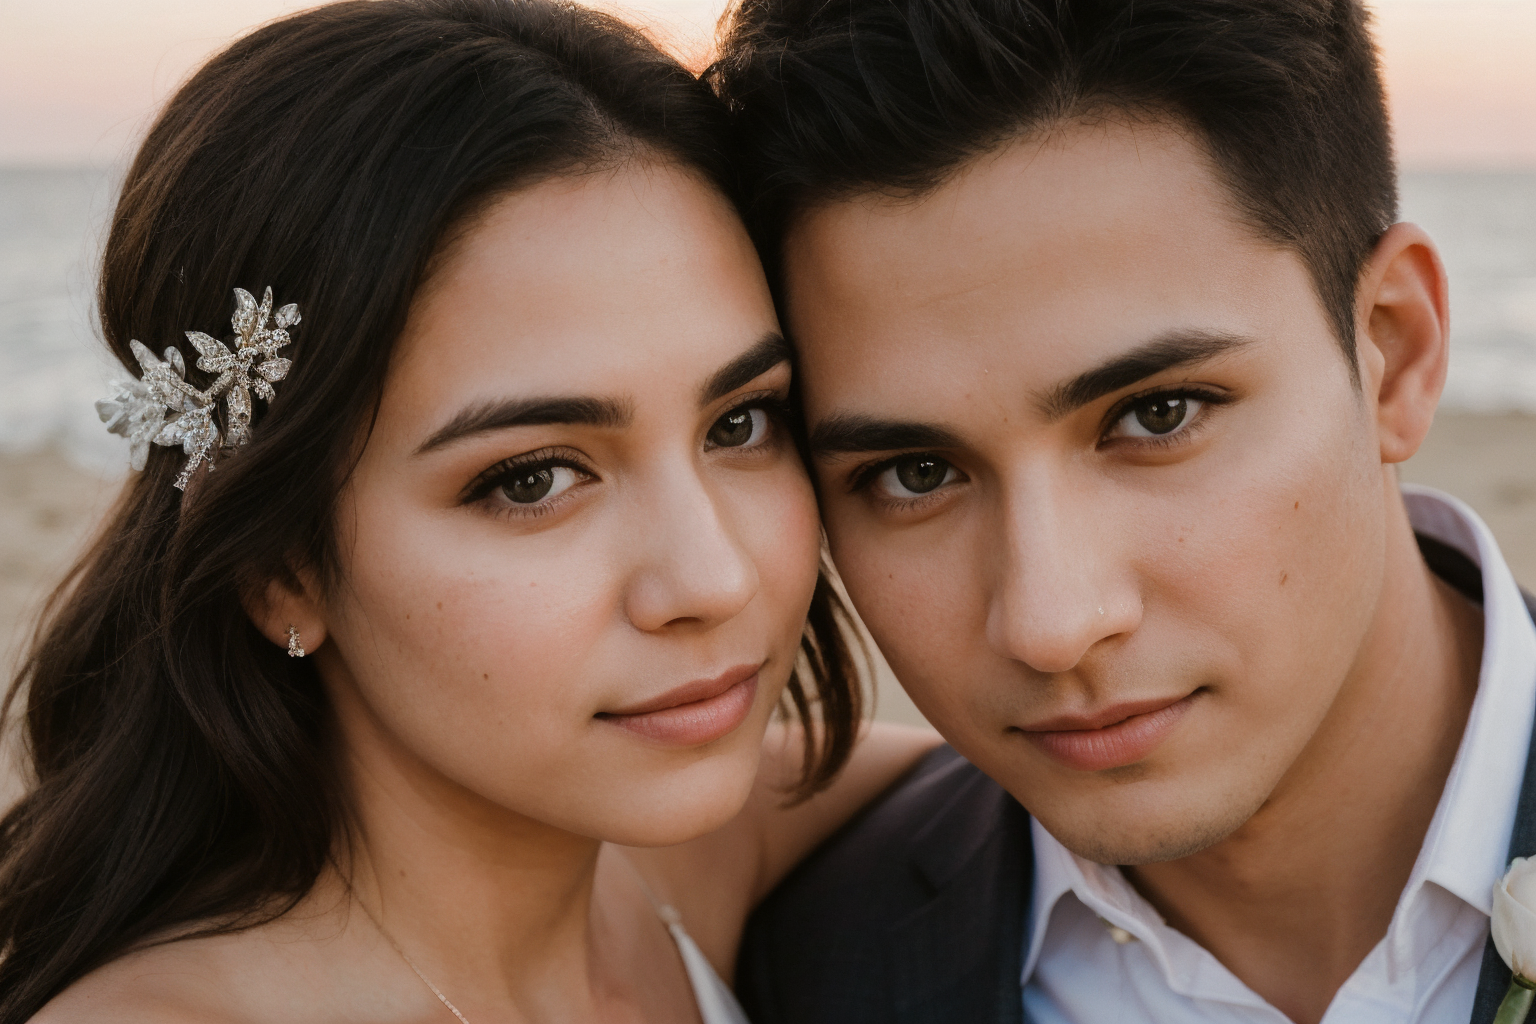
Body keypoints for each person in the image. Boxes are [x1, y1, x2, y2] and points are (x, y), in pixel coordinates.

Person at [0, 2, 939, 1021]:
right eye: (532, 478)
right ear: (278, 568)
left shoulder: (687, 867)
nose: (715, 579)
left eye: (741, 422)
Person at [707, 0, 1536, 1022]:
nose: (1052, 624)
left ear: (1396, 352)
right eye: (915, 474)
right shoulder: (809, 969)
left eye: (1158, 413)